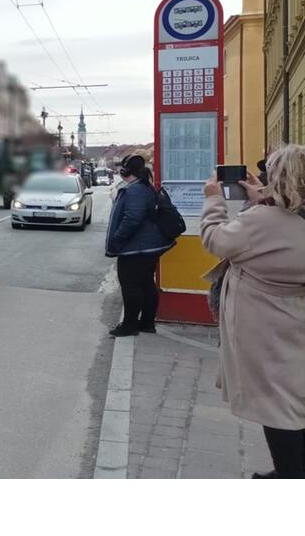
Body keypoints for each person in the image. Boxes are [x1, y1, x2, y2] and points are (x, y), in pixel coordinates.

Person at [200, 144, 305, 478]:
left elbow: (216, 240)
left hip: (265, 327)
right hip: (293, 320)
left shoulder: (262, 221)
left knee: (276, 408)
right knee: (294, 399)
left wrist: (213, 199)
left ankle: (289, 475)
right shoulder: (290, 217)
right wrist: (266, 199)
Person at [105, 154, 174, 337]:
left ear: (125, 170)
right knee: (145, 284)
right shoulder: (145, 187)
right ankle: (146, 323)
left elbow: (133, 218)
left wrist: (118, 239)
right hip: (148, 246)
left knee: (130, 285)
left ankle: (130, 325)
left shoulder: (135, 190)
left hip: (136, 247)